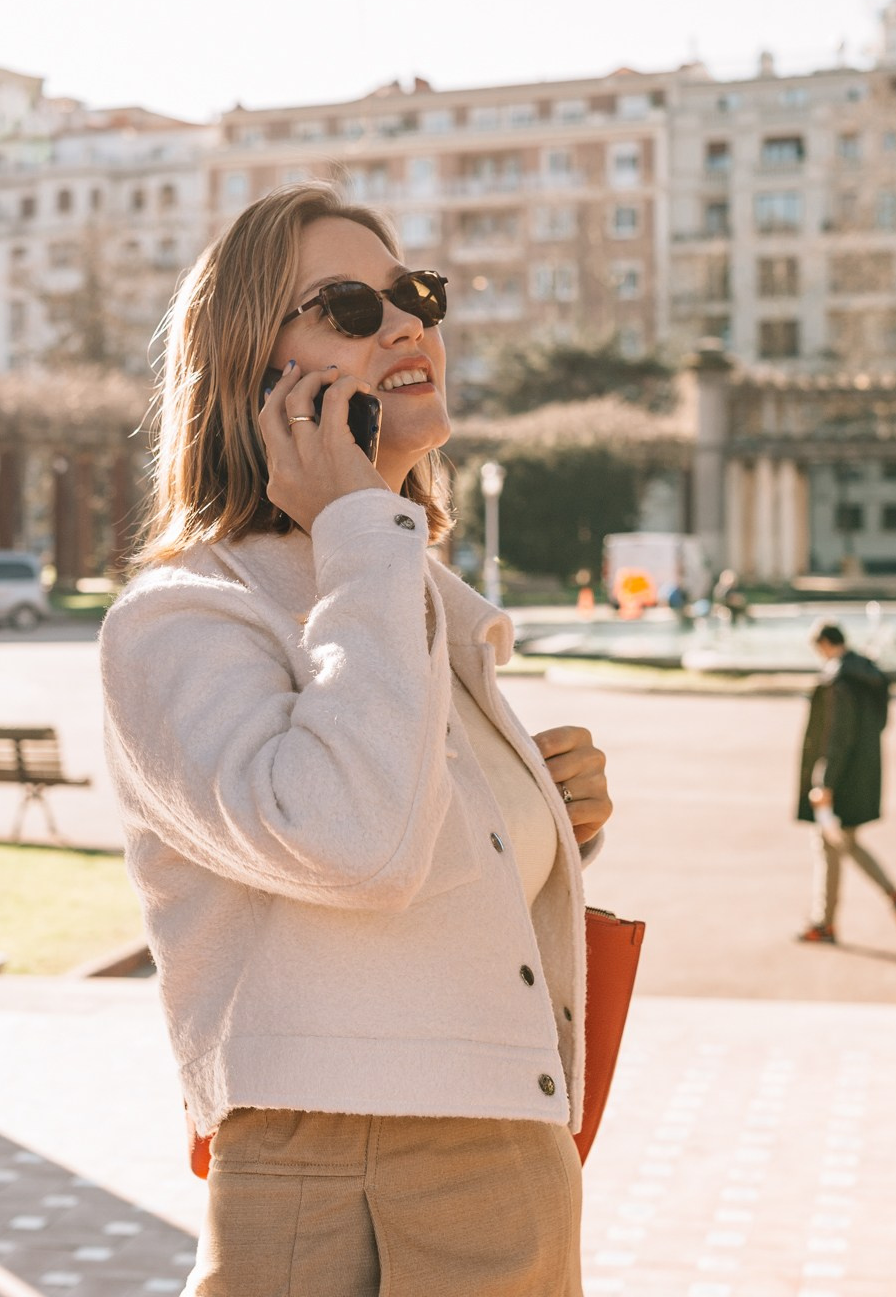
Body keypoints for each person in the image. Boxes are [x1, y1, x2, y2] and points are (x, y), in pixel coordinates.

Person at [100, 182, 616, 1296]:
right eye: (345, 305)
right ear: (252, 369)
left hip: (507, 1154)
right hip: (342, 1169)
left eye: (413, 294)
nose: (405, 325)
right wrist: (359, 528)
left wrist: (536, 817)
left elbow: (414, 864)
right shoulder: (184, 616)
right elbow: (353, 844)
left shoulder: (392, 589)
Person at [795, 620, 896, 945]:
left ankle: (892, 898)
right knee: (834, 843)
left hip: (841, 777)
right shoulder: (867, 672)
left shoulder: (841, 679)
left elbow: (837, 736)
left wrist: (825, 783)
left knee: (839, 843)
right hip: (863, 773)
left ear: (824, 645)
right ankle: (826, 922)